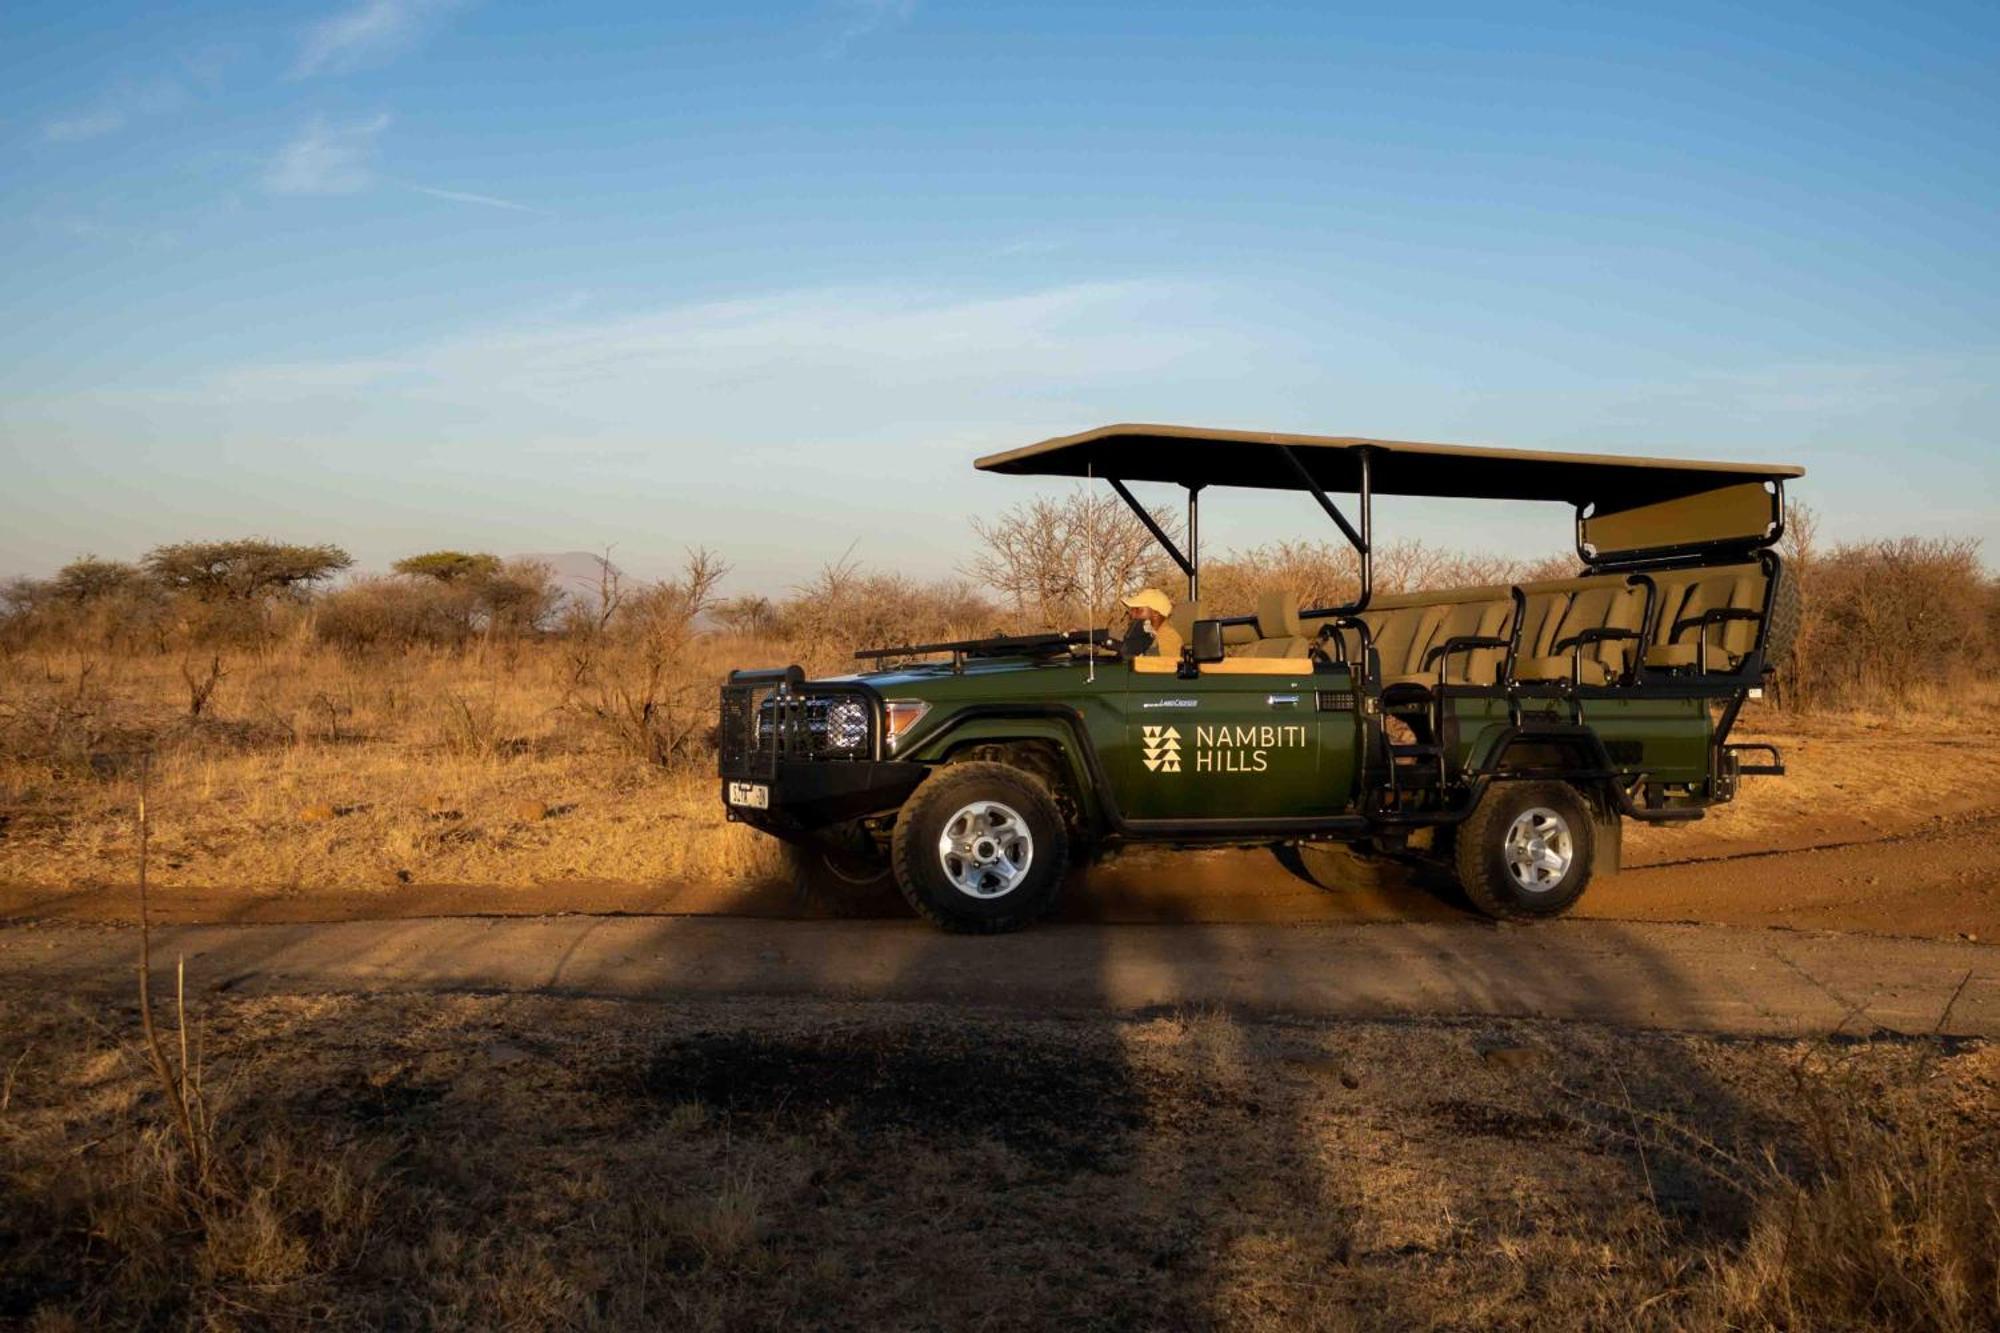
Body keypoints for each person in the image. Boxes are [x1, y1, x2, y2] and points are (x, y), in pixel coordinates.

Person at [1120, 587, 1183, 660]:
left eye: (1138, 610)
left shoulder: (1169, 637)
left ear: (1155, 613)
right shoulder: (1146, 635)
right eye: (1131, 610)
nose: (1132, 615)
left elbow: (1166, 668)